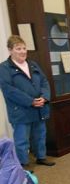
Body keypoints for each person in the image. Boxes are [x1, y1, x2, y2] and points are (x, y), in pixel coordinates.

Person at [0, 35, 54, 166]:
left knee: (40, 135)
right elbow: (9, 90)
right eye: (18, 48)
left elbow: (44, 82)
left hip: (39, 108)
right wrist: (31, 101)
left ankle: (41, 157)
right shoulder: (4, 68)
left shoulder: (33, 64)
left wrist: (44, 97)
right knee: (22, 140)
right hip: (21, 111)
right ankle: (23, 164)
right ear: (10, 50)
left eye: (24, 48)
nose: (23, 51)